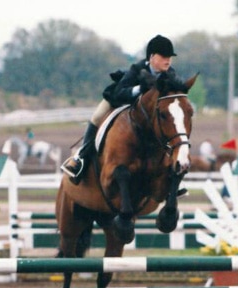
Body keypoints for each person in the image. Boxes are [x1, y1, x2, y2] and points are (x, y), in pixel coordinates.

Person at [61, 34, 178, 184]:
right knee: (97, 117)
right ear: (152, 57)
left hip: (146, 111)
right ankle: (81, 159)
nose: (168, 60)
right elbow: (120, 93)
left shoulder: (171, 73)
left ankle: (171, 174)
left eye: (170, 57)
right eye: (164, 56)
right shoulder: (136, 69)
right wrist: (140, 89)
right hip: (118, 99)